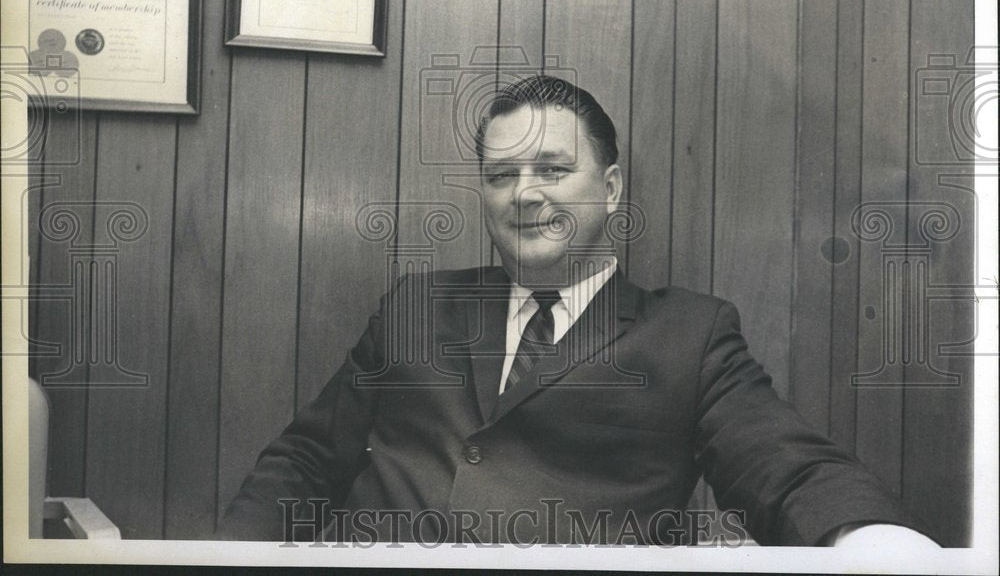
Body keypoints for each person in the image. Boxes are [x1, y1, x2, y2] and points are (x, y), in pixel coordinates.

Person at [218, 75, 938, 547]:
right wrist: (227, 562)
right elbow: (305, 458)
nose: (524, 194)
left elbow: (786, 466)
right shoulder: (417, 304)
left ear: (612, 186)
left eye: (553, 170)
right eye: (501, 176)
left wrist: (870, 538)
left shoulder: (690, 334)